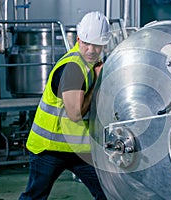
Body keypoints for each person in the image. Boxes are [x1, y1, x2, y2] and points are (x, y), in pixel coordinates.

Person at [19, 11, 111, 200]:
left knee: (109, 193)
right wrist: (97, 84)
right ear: (78, 39)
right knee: (34, 196)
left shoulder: (92, 63)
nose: (91, 50)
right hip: (50, 149)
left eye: (97, 45)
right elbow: (75, 113)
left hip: (78, 148)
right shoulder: (73, 69)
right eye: (86, 43)